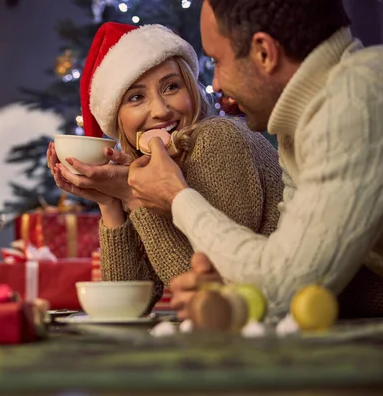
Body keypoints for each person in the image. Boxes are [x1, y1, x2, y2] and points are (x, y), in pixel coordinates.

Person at [127, 0, 383, 320]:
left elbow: (285, 288)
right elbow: (281, 263)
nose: (216, 84)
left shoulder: (356, 100)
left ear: (264, 52)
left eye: (218, 61)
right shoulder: (298, 126)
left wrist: (177, 197)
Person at [46, 22, 284, 308]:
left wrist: (135, 198)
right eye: (136, 97)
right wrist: (110, 203)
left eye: (171, 87)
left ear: (191, 89)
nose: (160, 110)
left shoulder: (219, 138)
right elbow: (129, 305)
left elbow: (213, 293)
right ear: (117, 118)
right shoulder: (144, 169)